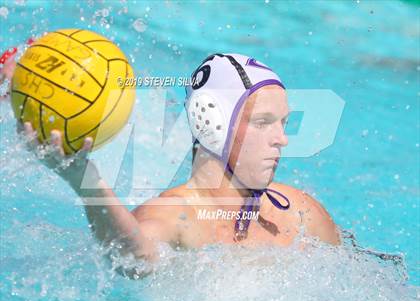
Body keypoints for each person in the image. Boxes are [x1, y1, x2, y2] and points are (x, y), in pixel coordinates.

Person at [2, 51, 340, 263]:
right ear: (211, 123)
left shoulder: (300, 212)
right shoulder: (177, 215)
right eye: (264, 123)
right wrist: (85, 180)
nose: (282, 139)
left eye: (284, 123)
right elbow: (134, 259)